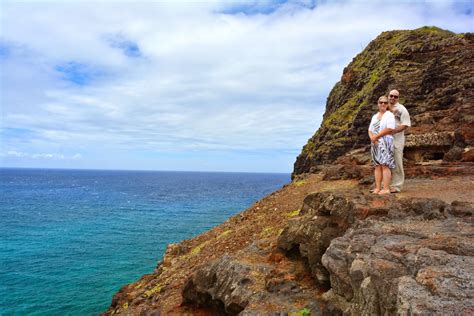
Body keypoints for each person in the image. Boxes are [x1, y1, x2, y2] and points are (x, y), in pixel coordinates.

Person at [368, 96, 396, 194]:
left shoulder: (389, 115)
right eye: (381, 102)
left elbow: (390, 128)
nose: (383, 104)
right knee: (377, 165)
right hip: (375, 143)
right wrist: (372, 137)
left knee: (385, 165)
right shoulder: (374, 116)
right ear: (378, 103)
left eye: (385, 102)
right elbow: (370, 129)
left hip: (385, 141)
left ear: (388, 104)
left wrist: (377, 137)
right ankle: (378, 188)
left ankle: (386, 189)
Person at [388, 89, 411, 193]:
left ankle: (396, 186)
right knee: (385, 163)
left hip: (397, 140)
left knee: (397, 162)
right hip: (385, 141)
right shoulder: (385, 107)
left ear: (398, 98)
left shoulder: (402, 109)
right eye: (391, 95)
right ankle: (385, 185)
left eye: (395, 96)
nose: (393, 98)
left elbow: (405, 124)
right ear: (388, 96)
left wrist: (392, 131)